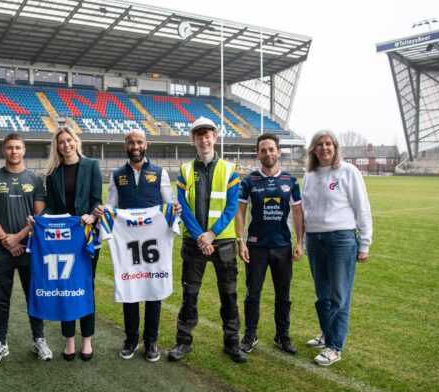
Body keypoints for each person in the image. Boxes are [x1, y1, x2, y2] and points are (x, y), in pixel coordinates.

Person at [94, 129, 180, 362]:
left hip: (154, 241)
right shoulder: (117, 175)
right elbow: (112, 205)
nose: (135, 146)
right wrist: (103, 211)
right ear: (126, 145)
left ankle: (151, 340)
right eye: (131, 142)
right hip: (128, 242)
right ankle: (131, 339)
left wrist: (175, 209)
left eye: (139, 142)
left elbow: (170, 203)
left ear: (146, 144)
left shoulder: (159, 173)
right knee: (129, 288)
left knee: (154, 289)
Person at [168, 117, 246, 363]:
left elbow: (232, 207)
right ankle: (183, 342)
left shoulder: (230, 169)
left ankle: (232, 344)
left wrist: (211, 234)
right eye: (199, 136)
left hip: (223, 243)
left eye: (208, 135)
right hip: (194, 244)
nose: (204, 140)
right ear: (193, 140)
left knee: (229, 296)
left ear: (215, 137)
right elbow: (182, 207)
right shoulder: (185, 170)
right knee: (189, 295)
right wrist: (200, 236)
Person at [302, 131, 372, 366]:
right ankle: (327, 333)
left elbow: (362, 207)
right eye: (319, 144)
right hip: (315, 239)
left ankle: (335, 347)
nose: (324, 148)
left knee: (339, 295)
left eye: (328, 143)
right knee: (322, 293)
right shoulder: (309, 175)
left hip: (341, 239)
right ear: (313, 149)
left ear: (335, 147)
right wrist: (303, 239)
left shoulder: (348, 171)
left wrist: (364, 242)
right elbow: (305, 210)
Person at [0, 133, 52, 366]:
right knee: (1, 300)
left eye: (18, 147)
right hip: (1, 251)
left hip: (29, 249)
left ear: (24, 150)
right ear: (3, 150)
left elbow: (39, 216)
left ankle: (39, 340)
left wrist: (18, 238)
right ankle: (0, 343)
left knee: (34, 297)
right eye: (10, 147)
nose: (14, 151)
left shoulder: (36, 179)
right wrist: (6, 240)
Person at [235, 133, 304, 355]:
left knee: (283, 295)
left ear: (279, 152)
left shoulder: (290, 181)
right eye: (263, 150)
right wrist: (240, 241)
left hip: (282, 247)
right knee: (252, 294)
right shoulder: (249, 181)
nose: (268, 153)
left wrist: (299, 242)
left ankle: (282, 335)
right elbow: (240, 211)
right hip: (255, 247)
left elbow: (297, 212)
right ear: (258, 154)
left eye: (271, 149)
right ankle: (250, 334)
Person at [44, 125, 102, 361]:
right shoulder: (53, 173)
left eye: (69, 140)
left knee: (86, 287)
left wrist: (92, 215)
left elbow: (96, 199)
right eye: (61, 142)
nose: (66, 145)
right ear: (57, 146)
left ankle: (87, 340)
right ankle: (69, 340)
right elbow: (51, 206)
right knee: (65, 288)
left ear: (76, 141)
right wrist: (40, 220)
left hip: (86, 236)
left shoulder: (92, 165)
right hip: (62, 240)